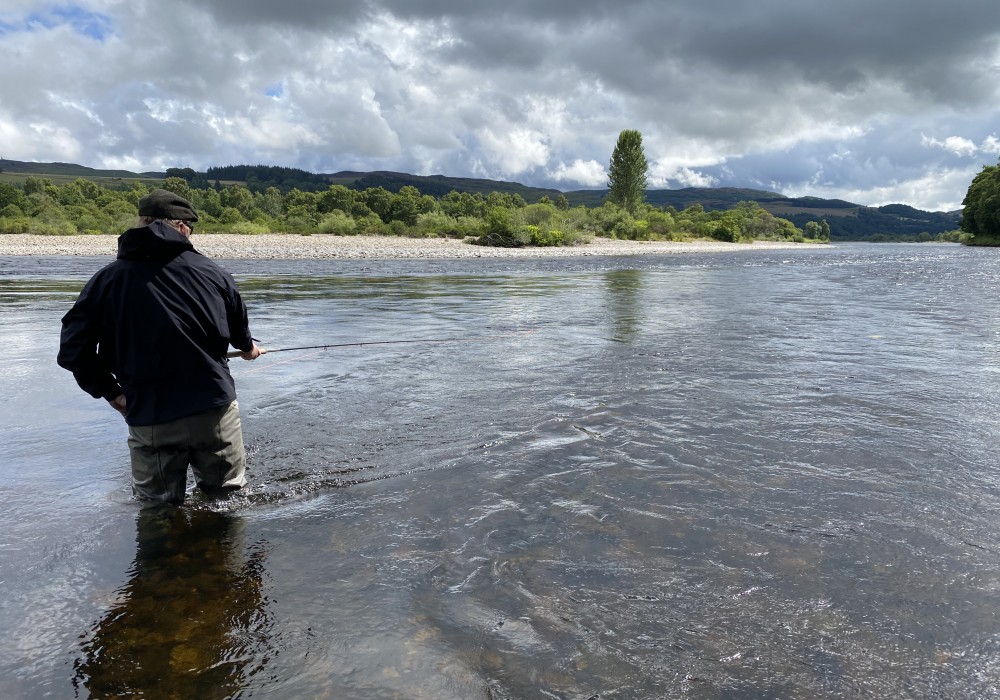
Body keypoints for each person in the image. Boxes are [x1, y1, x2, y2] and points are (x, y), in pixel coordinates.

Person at [58, 188, 262, 505]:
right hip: (214, 410)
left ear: (141, 223)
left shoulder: (107, 281)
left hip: (150, 414)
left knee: (156, 508)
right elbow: (240, 337)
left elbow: (73, 350)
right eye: (191, 228)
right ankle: (223, 553)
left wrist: (111, 392)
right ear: (180, 226)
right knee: (227, 502)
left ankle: (165, 553)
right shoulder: (214, 274)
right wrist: (250, 349)